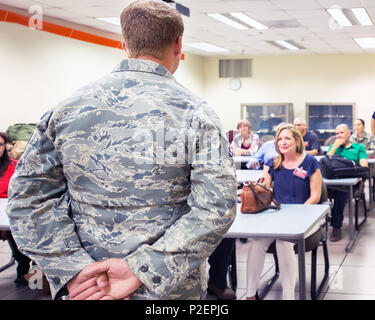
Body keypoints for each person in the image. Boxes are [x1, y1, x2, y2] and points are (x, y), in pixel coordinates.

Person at [6, 0, 236, 301]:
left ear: (123, 42)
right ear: (178, 44)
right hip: (166, 292)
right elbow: (216, 208)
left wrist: (73, 271)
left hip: (86, 290)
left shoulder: (65, 109)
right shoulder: (196, 114)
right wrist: (141, 270)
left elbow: (27, 199)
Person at [246, 124, 322, 300]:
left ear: (297, 141)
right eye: (279, 139)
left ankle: (288, 297)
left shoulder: (310, 162)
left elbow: (316, 196)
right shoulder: (273, 162)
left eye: (287, 138)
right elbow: (264, 188)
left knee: (282, 242)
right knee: (256, 243)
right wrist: (260, 186)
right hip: (278, 217)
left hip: (306, 217)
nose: (282, 142)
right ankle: (250, 295)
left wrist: (298, 216)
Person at [327, 124, 368, 241]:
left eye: (342, 132)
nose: (339, 135)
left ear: (349, 133)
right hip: (332, 182)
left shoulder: (358, 147)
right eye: (337, 133)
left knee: (341, 191)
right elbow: (326, 163)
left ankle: (336, 225)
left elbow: (364, 165)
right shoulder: (333, 147)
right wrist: (334, 147)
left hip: (351, 183)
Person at [0, 132, 31, 287]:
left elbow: (20, 193)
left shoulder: (14, 167)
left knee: (22, 244)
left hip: (10, 215)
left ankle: (24, 271)